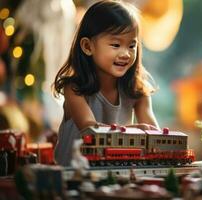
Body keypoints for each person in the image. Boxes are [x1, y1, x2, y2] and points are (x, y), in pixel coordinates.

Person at [53, 0, 159, 166]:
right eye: (116, 45)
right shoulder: (74, 88)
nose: (126, 54)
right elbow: (91, 130)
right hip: (71, 176)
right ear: (88, 46)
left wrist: (146, 133)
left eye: (132, 45)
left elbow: (155, 136)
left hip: (113, 174)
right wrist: (135, 131)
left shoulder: (137, 91)